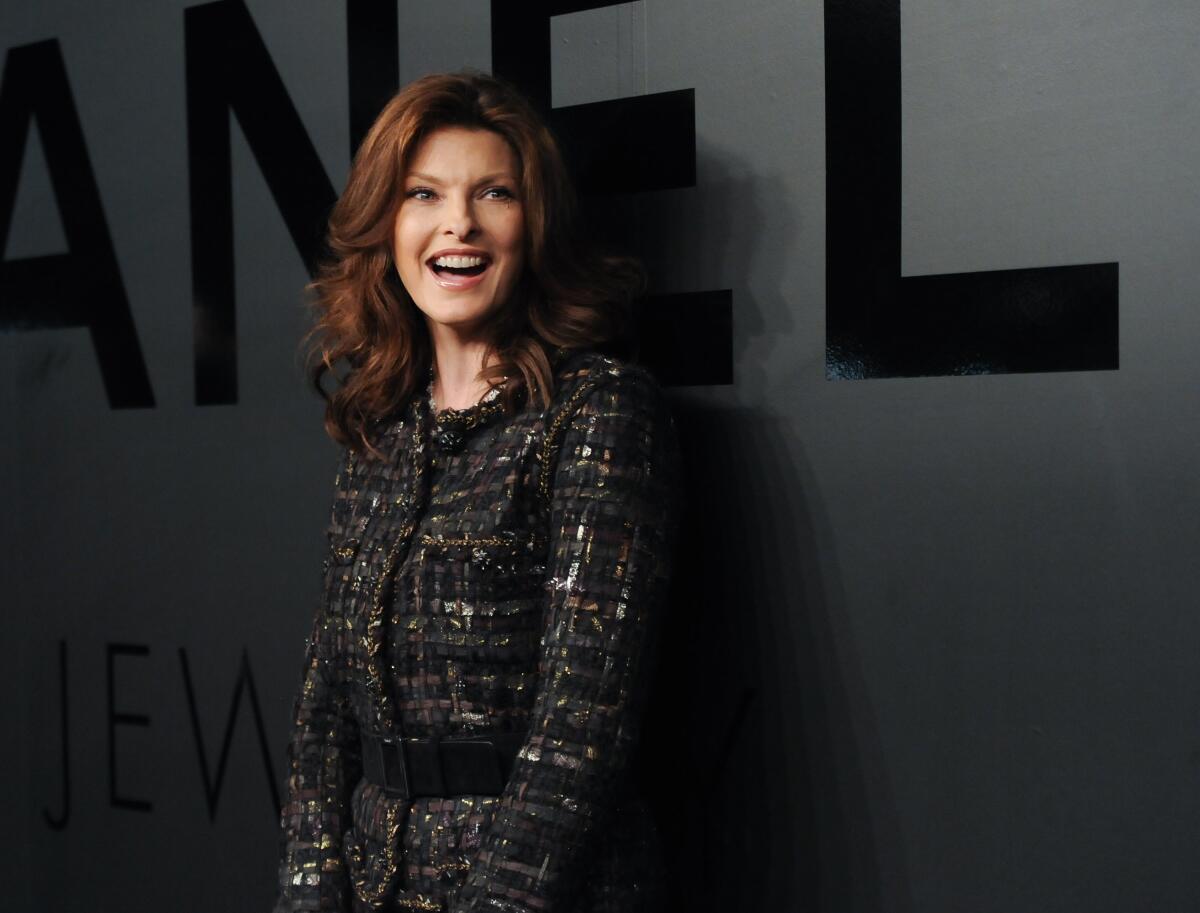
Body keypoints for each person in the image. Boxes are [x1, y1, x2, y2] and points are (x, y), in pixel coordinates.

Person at [273, 70, 682, 913]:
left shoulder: (597, 410)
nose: (457, 222)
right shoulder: (380, 431)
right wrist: (309, 896)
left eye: (492, 193)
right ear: (388, 226)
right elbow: (322, 717)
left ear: (533, 225)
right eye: (424, 193)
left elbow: (581, 730)